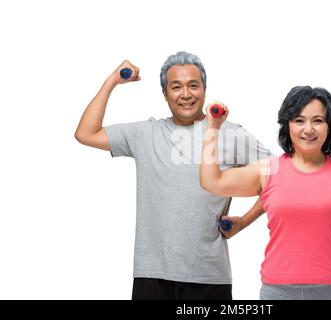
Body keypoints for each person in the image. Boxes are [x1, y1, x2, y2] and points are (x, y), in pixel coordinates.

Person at [74, 51, 271, 300]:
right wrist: (112, 80)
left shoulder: (229, 133)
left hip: (208, 277)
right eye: (176, 87)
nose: (186, 94)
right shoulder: (146, 133)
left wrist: (244, 220)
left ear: (204, 89)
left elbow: (279, 176)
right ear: (165, 94)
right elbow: (86, 133)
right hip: (152, 276)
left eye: (193, 85)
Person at [200, 86, 331, 300]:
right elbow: (212, 182)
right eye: (299, 120)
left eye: (317, 120)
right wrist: (213, 128)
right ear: (287, 126)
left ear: (330, 127)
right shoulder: (268, 170)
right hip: (278, 291)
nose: (308, 129)